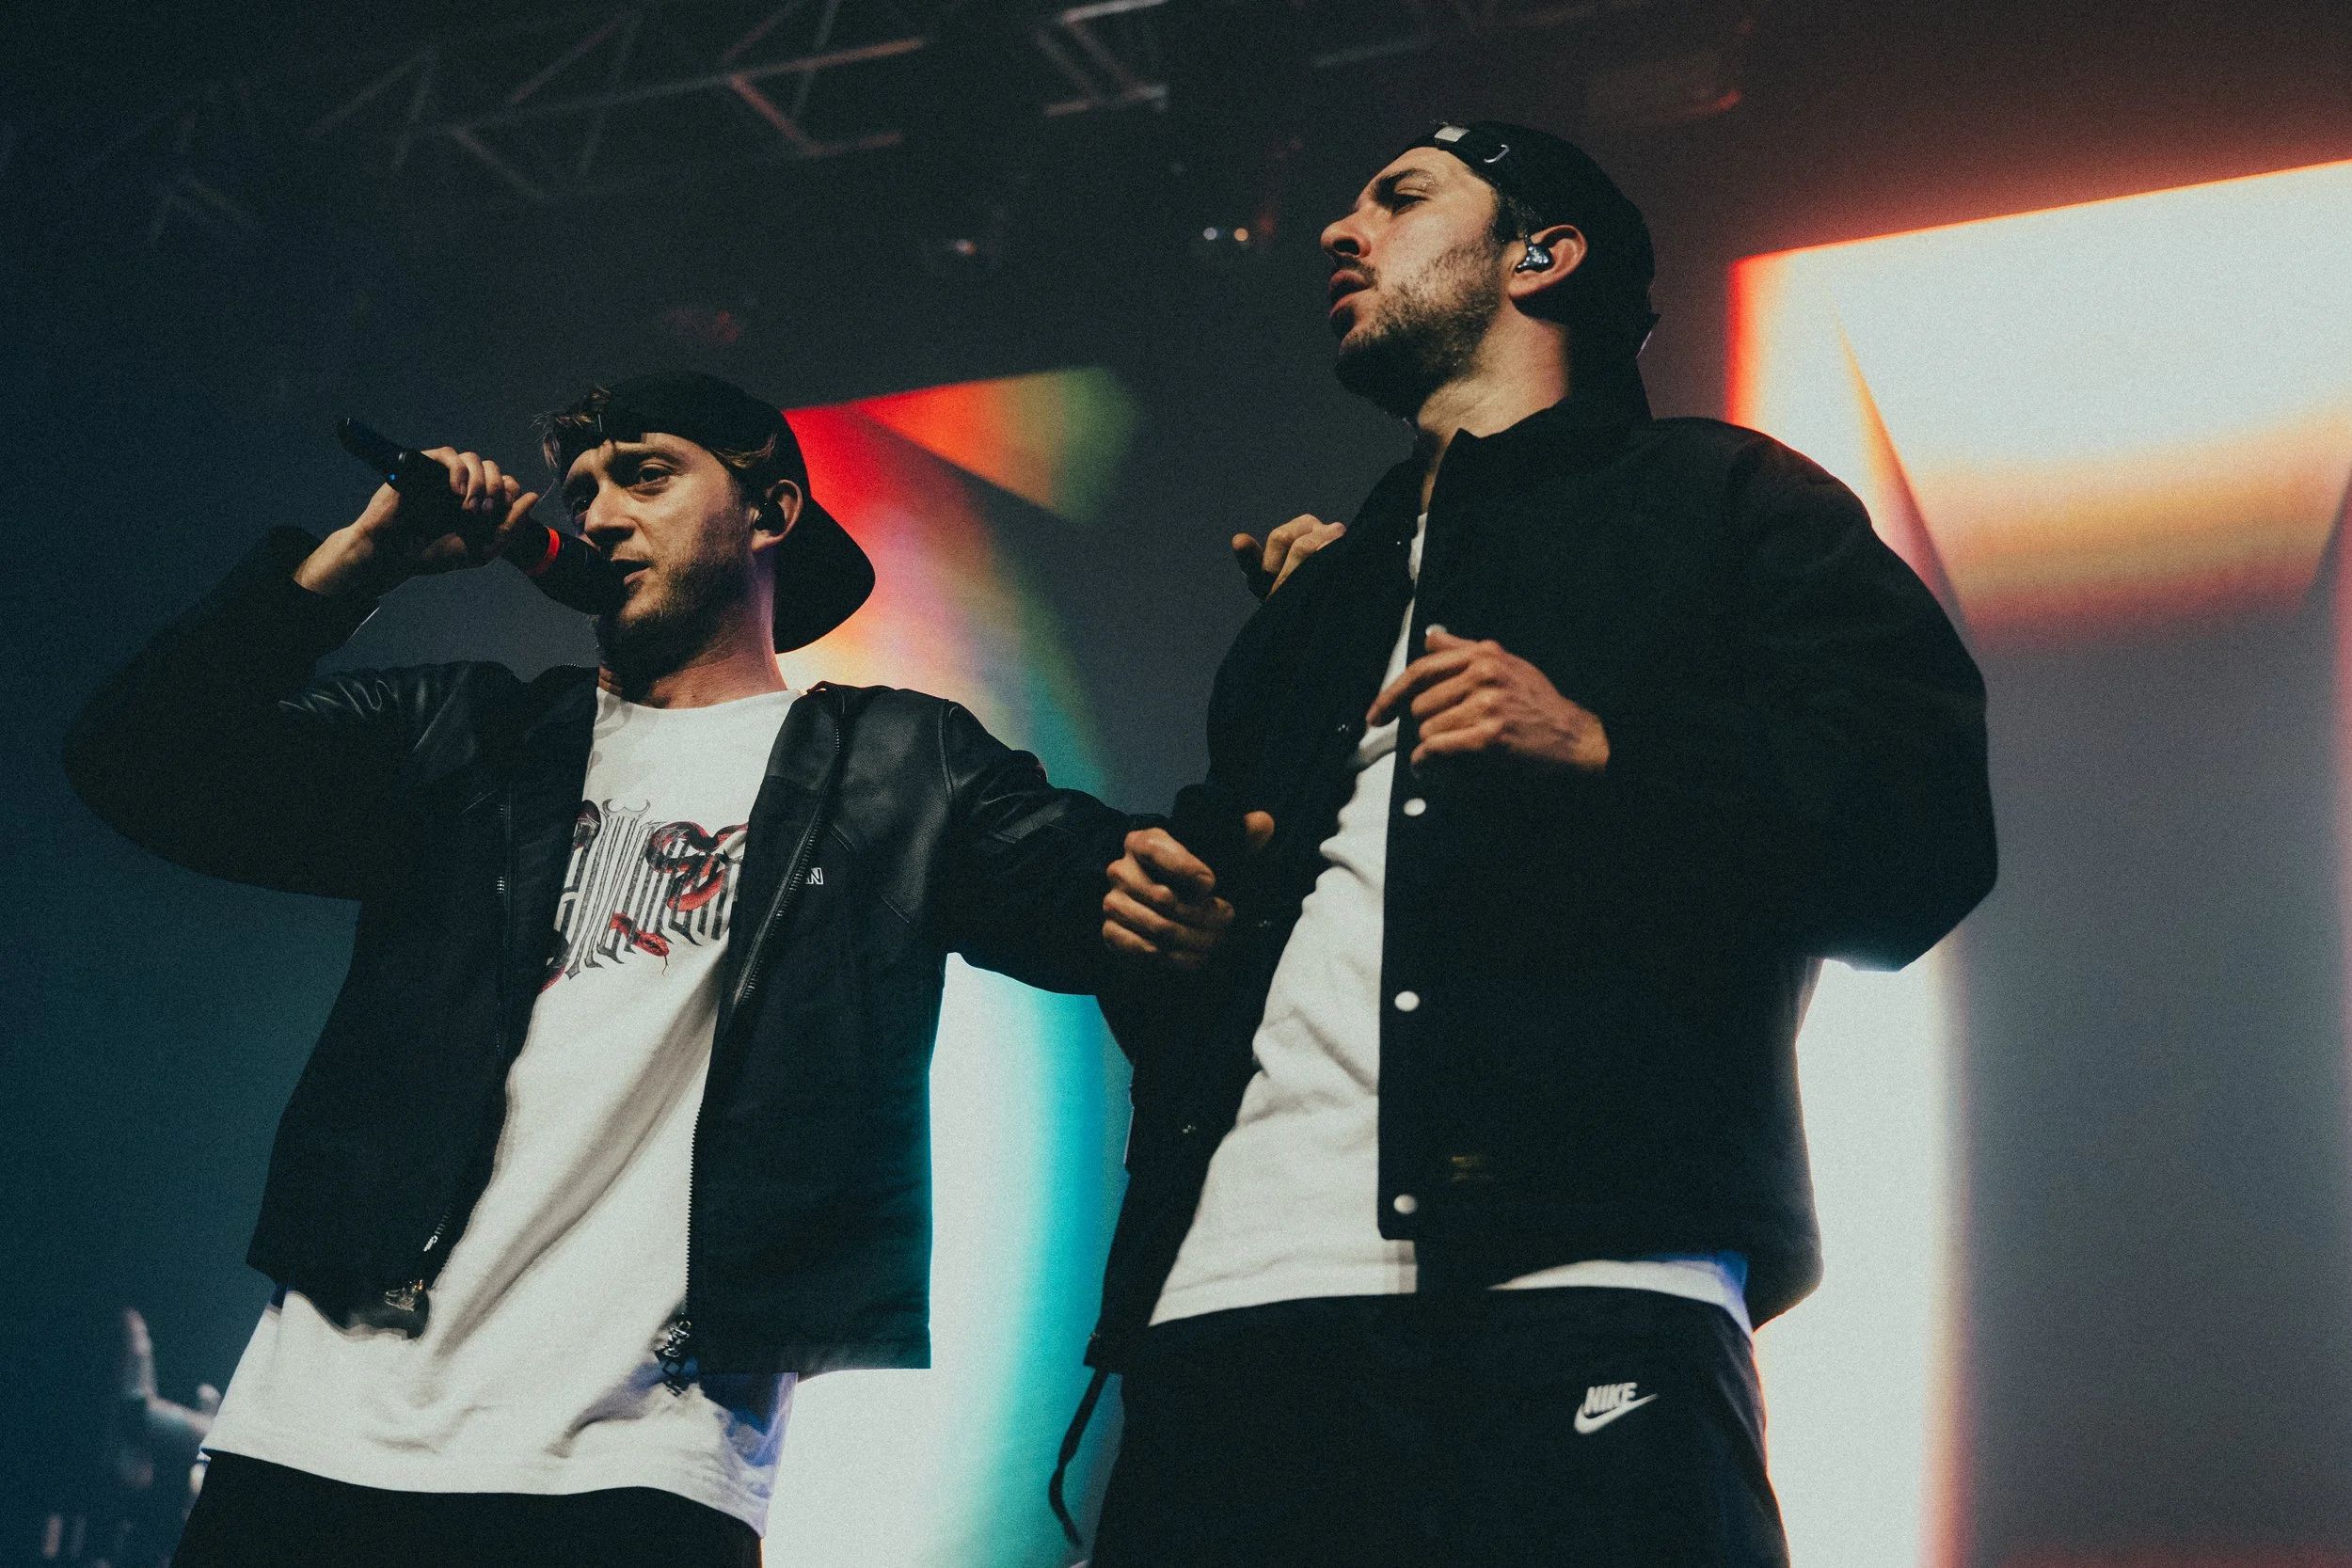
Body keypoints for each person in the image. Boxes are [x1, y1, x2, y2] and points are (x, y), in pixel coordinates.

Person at [63, 372, 1214, 1568]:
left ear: (769, 511)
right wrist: (367, 558)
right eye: (582, 490)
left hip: (638, 1466)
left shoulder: (900, 771)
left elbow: (1139, 893)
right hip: (319, 1434)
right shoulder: (464, 740)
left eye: (647, 475)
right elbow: (139, 758)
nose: (600, 514)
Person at [1088, 122, 1997, 1565]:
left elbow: (1922, 836)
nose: (1340, 229)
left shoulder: (1728, 503)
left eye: (1397, 197)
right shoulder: (1313, 606)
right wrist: (1172, 928)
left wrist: (1609, 750)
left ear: (1544, 252)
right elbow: (1264, 966)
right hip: (1230, 1299)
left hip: (1580, 1272)